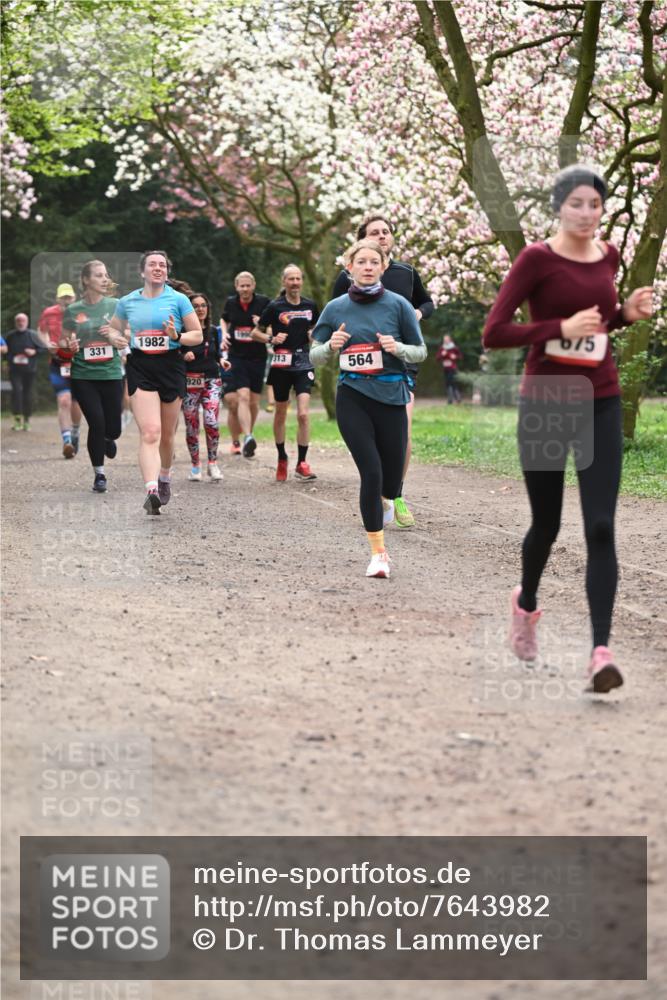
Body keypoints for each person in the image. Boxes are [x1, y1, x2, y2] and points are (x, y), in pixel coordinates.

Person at [483, 164, 653, 693]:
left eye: (594, 205)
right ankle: (526, 604)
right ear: (559, 206)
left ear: (603, 210)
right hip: (547, 399)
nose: (586, 213)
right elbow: (495, 332)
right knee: (548, 525)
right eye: (576, 203)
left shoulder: (609, 256)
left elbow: (598, 325)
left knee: (601, 526)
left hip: (601, 399)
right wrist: (558, 327)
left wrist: (623, 312)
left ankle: (600, 652)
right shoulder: (536, 258)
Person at [311, 239, 426, 577]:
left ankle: (391, 498)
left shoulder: (400, 305)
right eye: (361, 261)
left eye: (374, 261)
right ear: (350, 267)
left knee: (390, 481)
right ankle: (379, 554)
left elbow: (421, 352)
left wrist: (399, 348)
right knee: (371, 473)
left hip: (391, 397)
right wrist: (331, 346)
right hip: (353, 396)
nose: (367, 266)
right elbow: (314, 354)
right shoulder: (335, 308)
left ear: (383, 267)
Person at [332, 215, 434, 527]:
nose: (381, 236)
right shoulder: (345, 277)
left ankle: (395, 493)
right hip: (361, 365)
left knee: (402, 430)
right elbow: (335, 315)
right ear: (361, 238)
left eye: (386, 232)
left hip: (399, 363)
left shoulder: (406, 272)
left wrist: (415, 313)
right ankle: (376, 488)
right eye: (374, 232)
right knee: (370, 436)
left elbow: (428, 302)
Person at [108, 250, 202, 514]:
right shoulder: (127, 301)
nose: (158, 268)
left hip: (171, 366)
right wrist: (116, 340)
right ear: (143, 271)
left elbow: (197, 335)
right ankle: (151, 490)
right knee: (150, 432)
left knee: (167, 436)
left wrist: (177, 335)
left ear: (167, 271)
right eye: (153, 265)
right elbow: (115, 329)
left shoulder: (179, 299)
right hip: (141, 366)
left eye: (162, 265)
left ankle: (164, 477)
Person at [61, 261, 124, 493]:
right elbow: (63, 342)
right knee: (96, 423)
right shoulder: (73, 310)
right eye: (99, 275)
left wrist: (115, 333)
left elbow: (127, 334)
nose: (104, 279)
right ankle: (99, 474)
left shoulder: (116, 305)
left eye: (106, 275)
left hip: (111, 373)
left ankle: (109, 438)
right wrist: (70, 346)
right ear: (86, 280)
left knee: (113, 429)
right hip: (83, 375)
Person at [253, 265, 320, 481]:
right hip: (281, 364)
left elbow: (318, 330)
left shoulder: (310, 305)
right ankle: (282, 458)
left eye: (298, 279)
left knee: (303, 414)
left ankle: (302, 462)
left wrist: (313, 335)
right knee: (281, 412)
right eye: (291, 279)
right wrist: (271, 339)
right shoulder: (275, 307)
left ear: (302, 281)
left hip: (303, 363)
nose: (295, 282)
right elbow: (256, 333)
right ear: (284, 282)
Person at [220, 272, 270, 458]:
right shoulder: (231, 303)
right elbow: (224, 319)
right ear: (236, 287)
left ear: (254, 285)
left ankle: (248, 435)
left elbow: (273, 323)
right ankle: (245, 437)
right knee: (241, 397)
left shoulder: (264, 302)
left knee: (254, 402)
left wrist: (262, 324)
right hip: (237, 356)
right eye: (242, 286)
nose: (245, 289)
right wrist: (224, 334)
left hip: (257, 357)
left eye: (248, 285)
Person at [182, 292, 229, 481]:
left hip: (211, 380)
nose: (200, 309)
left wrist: (222, 361)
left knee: (211, 421)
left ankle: (213, 463)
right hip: (190, 381)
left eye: (203, 305)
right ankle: (195, 466)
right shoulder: (182, 330)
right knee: (192, 425)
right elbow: (174, 353)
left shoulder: (214, 330)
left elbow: (217, 353)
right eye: (195, 306)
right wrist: (183, 356)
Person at [37, 283, 82, 458]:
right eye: (63, 297)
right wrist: (47, 342)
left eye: (69, 297)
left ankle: (76, 432)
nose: (66, 301)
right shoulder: (49, 313)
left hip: (78, 363)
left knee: (76, 404)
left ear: (74, 298)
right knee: (64, 400)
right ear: (57, 298)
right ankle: (67, 441)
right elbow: (41, 332)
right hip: (57, 362)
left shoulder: (81, 312)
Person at [5, 313, 42, 431]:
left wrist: (34, 351)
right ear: (16, 323)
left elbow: (43, 348)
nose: (21, 323)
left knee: (27, 393)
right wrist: (5, 364)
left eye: (23, 321)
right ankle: (17, 421)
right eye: (18, 321)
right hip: (14, 370)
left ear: (27, 322)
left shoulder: (33, 335)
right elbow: (4, 351)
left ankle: (26, 420)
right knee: (16, 392)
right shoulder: (10, 336)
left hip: (29, 370)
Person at [436, 334, 463, 403]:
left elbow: (460, 356)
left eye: (447, 340)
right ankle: (451, 399)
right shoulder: (442, 348)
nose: (445, 341)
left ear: (450, 340)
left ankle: (457, 398)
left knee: (453, 382)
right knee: (448, 383)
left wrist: (455, 357)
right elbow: (437, 358)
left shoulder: (454, 348)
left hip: (453, 368)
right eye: (444, 340)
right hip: (446, 368)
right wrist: (442, 354)